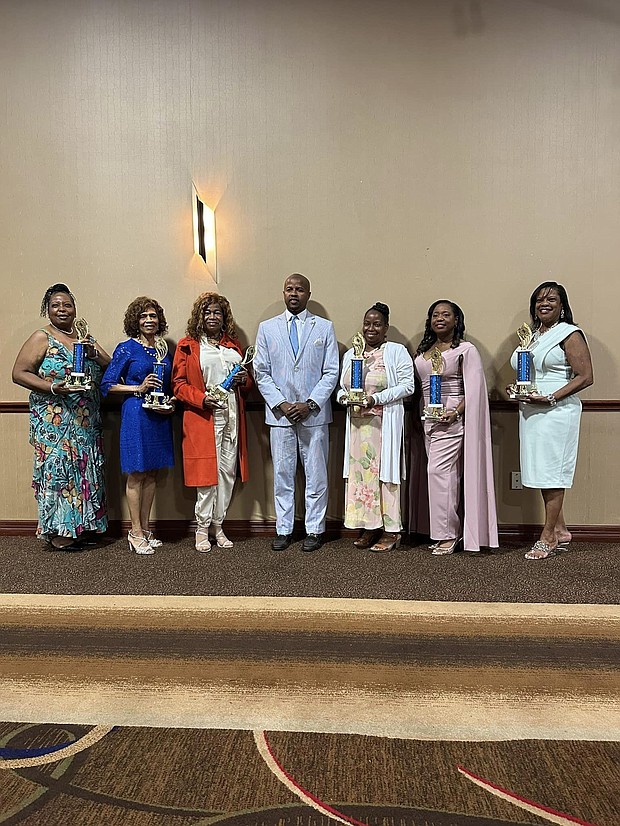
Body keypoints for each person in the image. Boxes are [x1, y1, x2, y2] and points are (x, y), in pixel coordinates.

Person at [12, 283, 110, 550]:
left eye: (67, 304)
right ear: (47, 310)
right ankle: (59, 534)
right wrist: (54, 387)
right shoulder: (41, 337)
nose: (62, 309)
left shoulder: (84, 336)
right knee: (59, 473)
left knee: (84, 471)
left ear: (75, 309)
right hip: (54, 423)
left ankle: (82, 527)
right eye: (55, 305)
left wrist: (93, 353)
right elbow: (19, 373)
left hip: (85, 420)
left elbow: (110, 365)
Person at [254, 273, 339, 552]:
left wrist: (310, 403)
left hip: (314, 415)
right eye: (289, 289)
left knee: (316, 475)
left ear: (308, 294)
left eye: (299, 289)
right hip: (280, 416)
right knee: (282, 475)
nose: (294, 293)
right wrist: (281, 404)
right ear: (283, 293)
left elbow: (331, 372)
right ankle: (284, 529)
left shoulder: (324, 327)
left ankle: (314, 529)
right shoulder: (267, 328)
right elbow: (261, 372)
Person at [508, 282, 593, 560]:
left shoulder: (569, 333)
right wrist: (519, 390)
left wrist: (552, 397)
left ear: (562, 306)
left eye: (551, 299)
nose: (544, 303)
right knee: (543, 472)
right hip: (532, 409)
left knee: (554, 473)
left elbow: (585, 376)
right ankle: (561, 529)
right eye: (539, 299)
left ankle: (548, 537)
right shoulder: (531, 336)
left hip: (557, 411)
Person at [409, 300, 498, 554]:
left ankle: (448, 534)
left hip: (451, 419)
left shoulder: (466, 350)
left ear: (456, 320)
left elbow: (475, 390)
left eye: (446, 314)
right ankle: (445, 531)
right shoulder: (425, 350)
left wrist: (456, 412)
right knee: (443, 475)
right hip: (428, 419)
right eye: (435, 314)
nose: (440, 318)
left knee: (439, 472)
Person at [172, 293, 252, 552]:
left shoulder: (233, 345)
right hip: (203, 418)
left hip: (232, 416)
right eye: (207, 312)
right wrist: (202, 399)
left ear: (224, 316)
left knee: (227, 474)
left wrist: (244, 381)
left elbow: (247, 383)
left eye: (217, 312)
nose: (212, 317)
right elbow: (178, 385)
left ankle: (219, 525)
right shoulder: (188, 346)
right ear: (200, 316)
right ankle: (202, 528)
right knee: (206, 477)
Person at [101, 297, 174, 555]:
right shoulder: (127, 348)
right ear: (136, 321)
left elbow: (169, 383)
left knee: (152, 473)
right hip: (135, 413)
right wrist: (137, 388)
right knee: (136, 473)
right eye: (143, 316)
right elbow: (107, 385)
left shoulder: (164, 350)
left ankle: (145, 528)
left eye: (153, 316)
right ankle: (134, 532)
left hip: (159, 415)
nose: (149, 320)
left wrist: (171, 401)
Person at [338, 303, 414, 552]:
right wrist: (343, 398)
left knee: (385, 477)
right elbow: (342, 387)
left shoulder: (396, 351)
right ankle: (369, 526)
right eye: (367, 323)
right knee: (362, 478)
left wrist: (375, 399)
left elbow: (408, 386)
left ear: (386, 327)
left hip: (383, 426)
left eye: (377, 324)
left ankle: (391, 531)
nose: (371, 328)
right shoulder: (352, 354)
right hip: (357, 428)